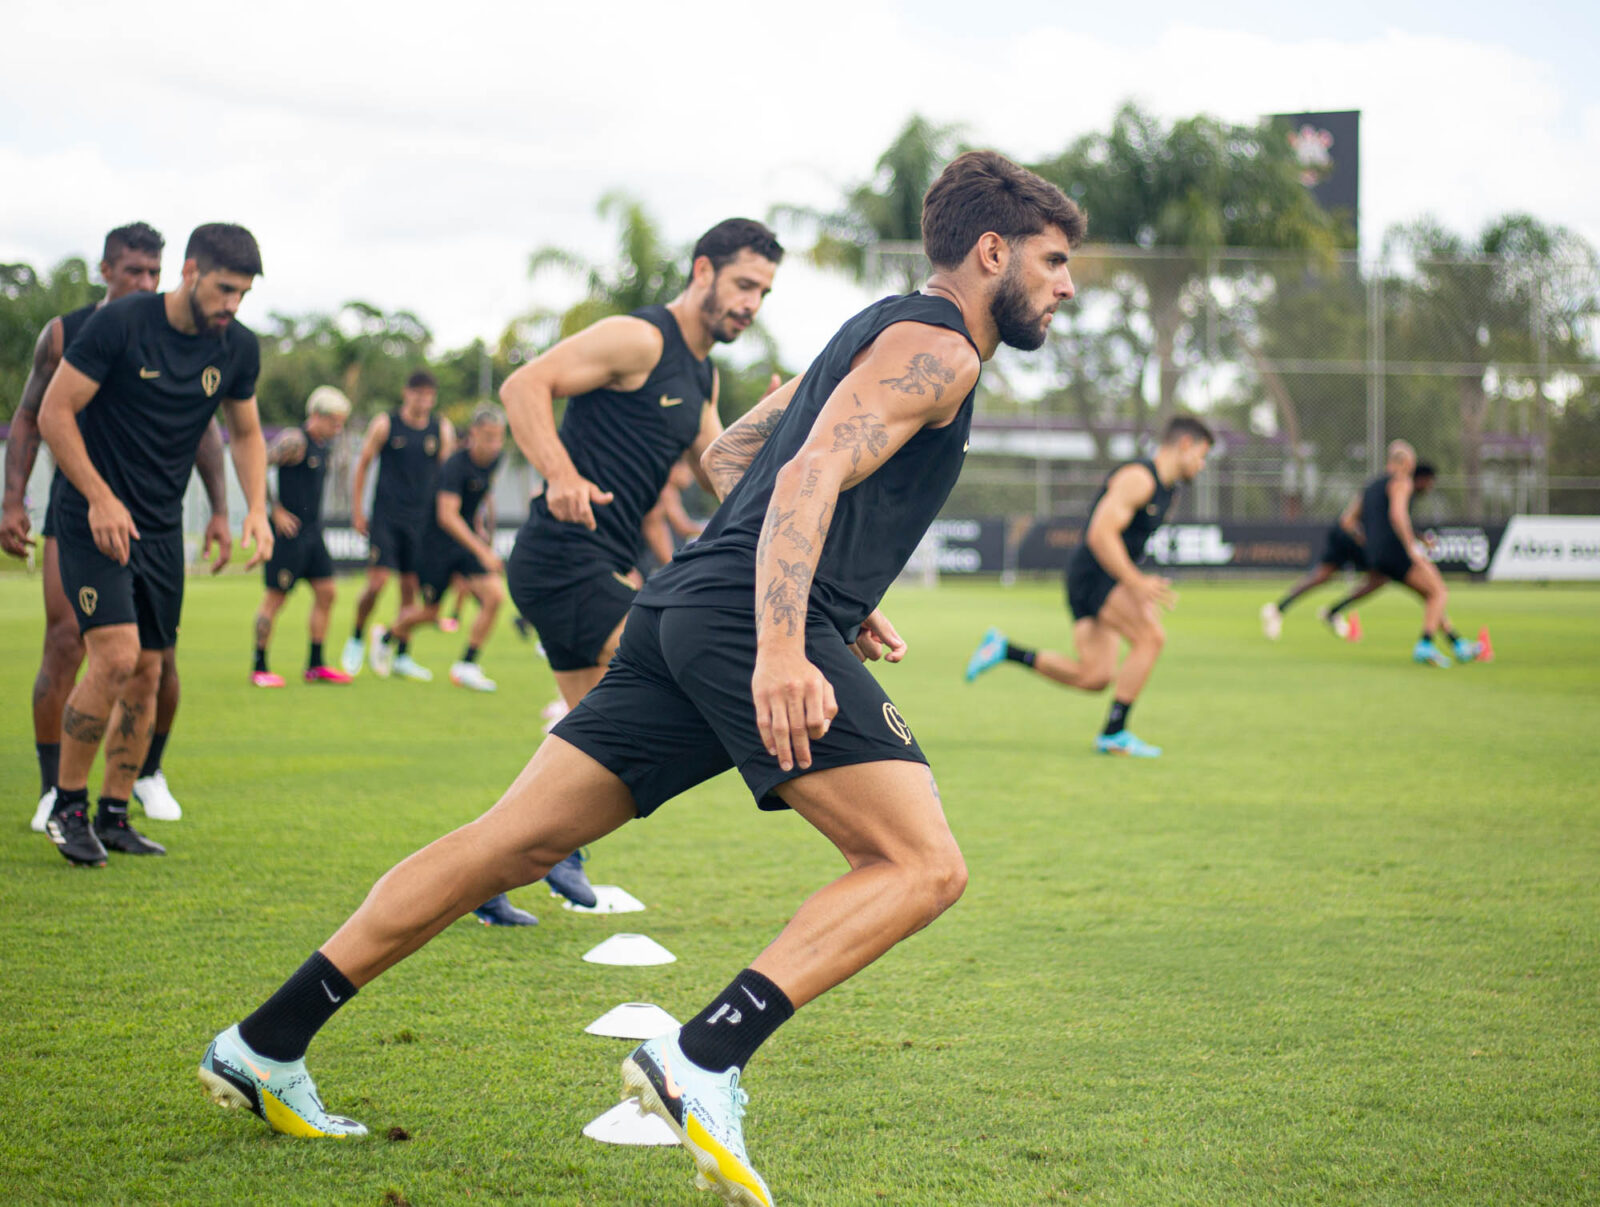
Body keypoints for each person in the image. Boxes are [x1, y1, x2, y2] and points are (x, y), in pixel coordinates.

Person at [196, 150, 1082, 1207]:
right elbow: (799, 471)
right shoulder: (942, 353)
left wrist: (841, 574)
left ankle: (263, 1041)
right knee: (919, 863)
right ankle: (702, 1058)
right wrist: (793, 634)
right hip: (742, 625)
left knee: (507, 843)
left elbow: (735, 455)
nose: (1065, 285)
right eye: (1055, 260)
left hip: (682, 607)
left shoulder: (877, 328)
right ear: (993, 251)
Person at [500, 217, 784, 907]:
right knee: (673, 665)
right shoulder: (640, 338)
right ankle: (554, 847)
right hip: (562, 557)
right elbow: (522, 386)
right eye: (744, 283)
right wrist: (561, 474)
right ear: (702, 271)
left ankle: (498, 863)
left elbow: (726, 475)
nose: (751, 303)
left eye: (764, 293)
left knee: (586, 737)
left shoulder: (704, 376)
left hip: (597, 564)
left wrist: (783, 418)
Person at [37, 223, 272, 866]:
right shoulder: (121, 325)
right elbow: (54, 413)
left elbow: (246, 433)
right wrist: (99, 496)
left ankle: (115, 811)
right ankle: (67, 806)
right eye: (225, 289)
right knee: (114, 658)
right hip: (93, 517)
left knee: (150, 669)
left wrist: (255, 508)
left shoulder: (237, 348)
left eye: (244, 295)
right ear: (190, 271)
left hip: (161, 530)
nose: (233, 306)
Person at [2, 222, 232, 833]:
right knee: (66, 642)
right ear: (106, 271)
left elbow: (207, 428)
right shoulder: (67, 334)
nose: (145, 283)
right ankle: (56, 792)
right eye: (134, 271)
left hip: (153, 525)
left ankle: (140, 777)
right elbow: (30, 418)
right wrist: (12, 502)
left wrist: (219, 508)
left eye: (154, 272)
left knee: (155, 661)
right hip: (79, 515)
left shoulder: (182, 335)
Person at [964, 415, 1214, 758]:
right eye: (1201, 455)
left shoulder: (1169, 492)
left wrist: (1134, 588)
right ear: (1185, 445)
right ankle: (1115, 732)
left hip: (1101, 577)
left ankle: (1005, 650)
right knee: (1151, 638)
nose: (1202, 465)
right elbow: (1100, 534)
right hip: (1095, 575)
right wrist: (1135, 583)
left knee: (1094, 676)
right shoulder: (1139, 479)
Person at [371, 404, 506, 693]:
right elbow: (447, 516)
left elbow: (479, 497)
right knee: (430, 614)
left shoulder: (495, 461)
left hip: (464, 542)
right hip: (435, 545)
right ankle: (385, 637)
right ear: (473, 434)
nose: (495, 444)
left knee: (495, 596)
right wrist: (482, 549)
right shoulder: (454, 466)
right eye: (489, 437)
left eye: (499, 437)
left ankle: (466, 665)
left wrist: (480, 526)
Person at [342, 370, 455, 680]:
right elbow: (363, 464)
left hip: (422, 522)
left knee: (410, 591)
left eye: (429, 394)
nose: (423, 400)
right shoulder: (386, 424)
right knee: (376, 583)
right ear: (406, 393)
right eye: (418, 393)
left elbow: (448, 475)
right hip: (386, 518)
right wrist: (357, 510)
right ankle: (356, 636)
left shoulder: (441, 429)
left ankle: (403, 655)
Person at [1326, 446, 1482, 666]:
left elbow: (1348, 521)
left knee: (1428, 596)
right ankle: (1425, 645)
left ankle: (1457, 644)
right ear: (1406, 462)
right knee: (1438, 592)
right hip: (1397, 552)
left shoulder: (1370, 487)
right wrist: (1411, 547)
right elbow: (1398, 516)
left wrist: (1369, 543)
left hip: (1376, 555)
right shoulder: (1401, 481)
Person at [1260, 463, 1441, 641]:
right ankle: (1316, 610)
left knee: (1366, 577)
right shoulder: (1396, 487)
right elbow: (1356, 520)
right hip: (1350, 537)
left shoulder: (1381, 486)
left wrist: (1418, 537)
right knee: (1341, 576)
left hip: (1355, 537)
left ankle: (1302, 610)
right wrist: (1367, 540)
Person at [252, 386, 354, 687]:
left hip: (313, 533)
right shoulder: (294, 441)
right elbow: (257, 466)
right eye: (335, 421)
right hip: (289, 535)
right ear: (316, 415)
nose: (339, 428)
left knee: (327, 593)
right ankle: (259, 666)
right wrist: (275, 510)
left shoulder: (325, 445)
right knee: (275, 599)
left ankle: (315, 664)